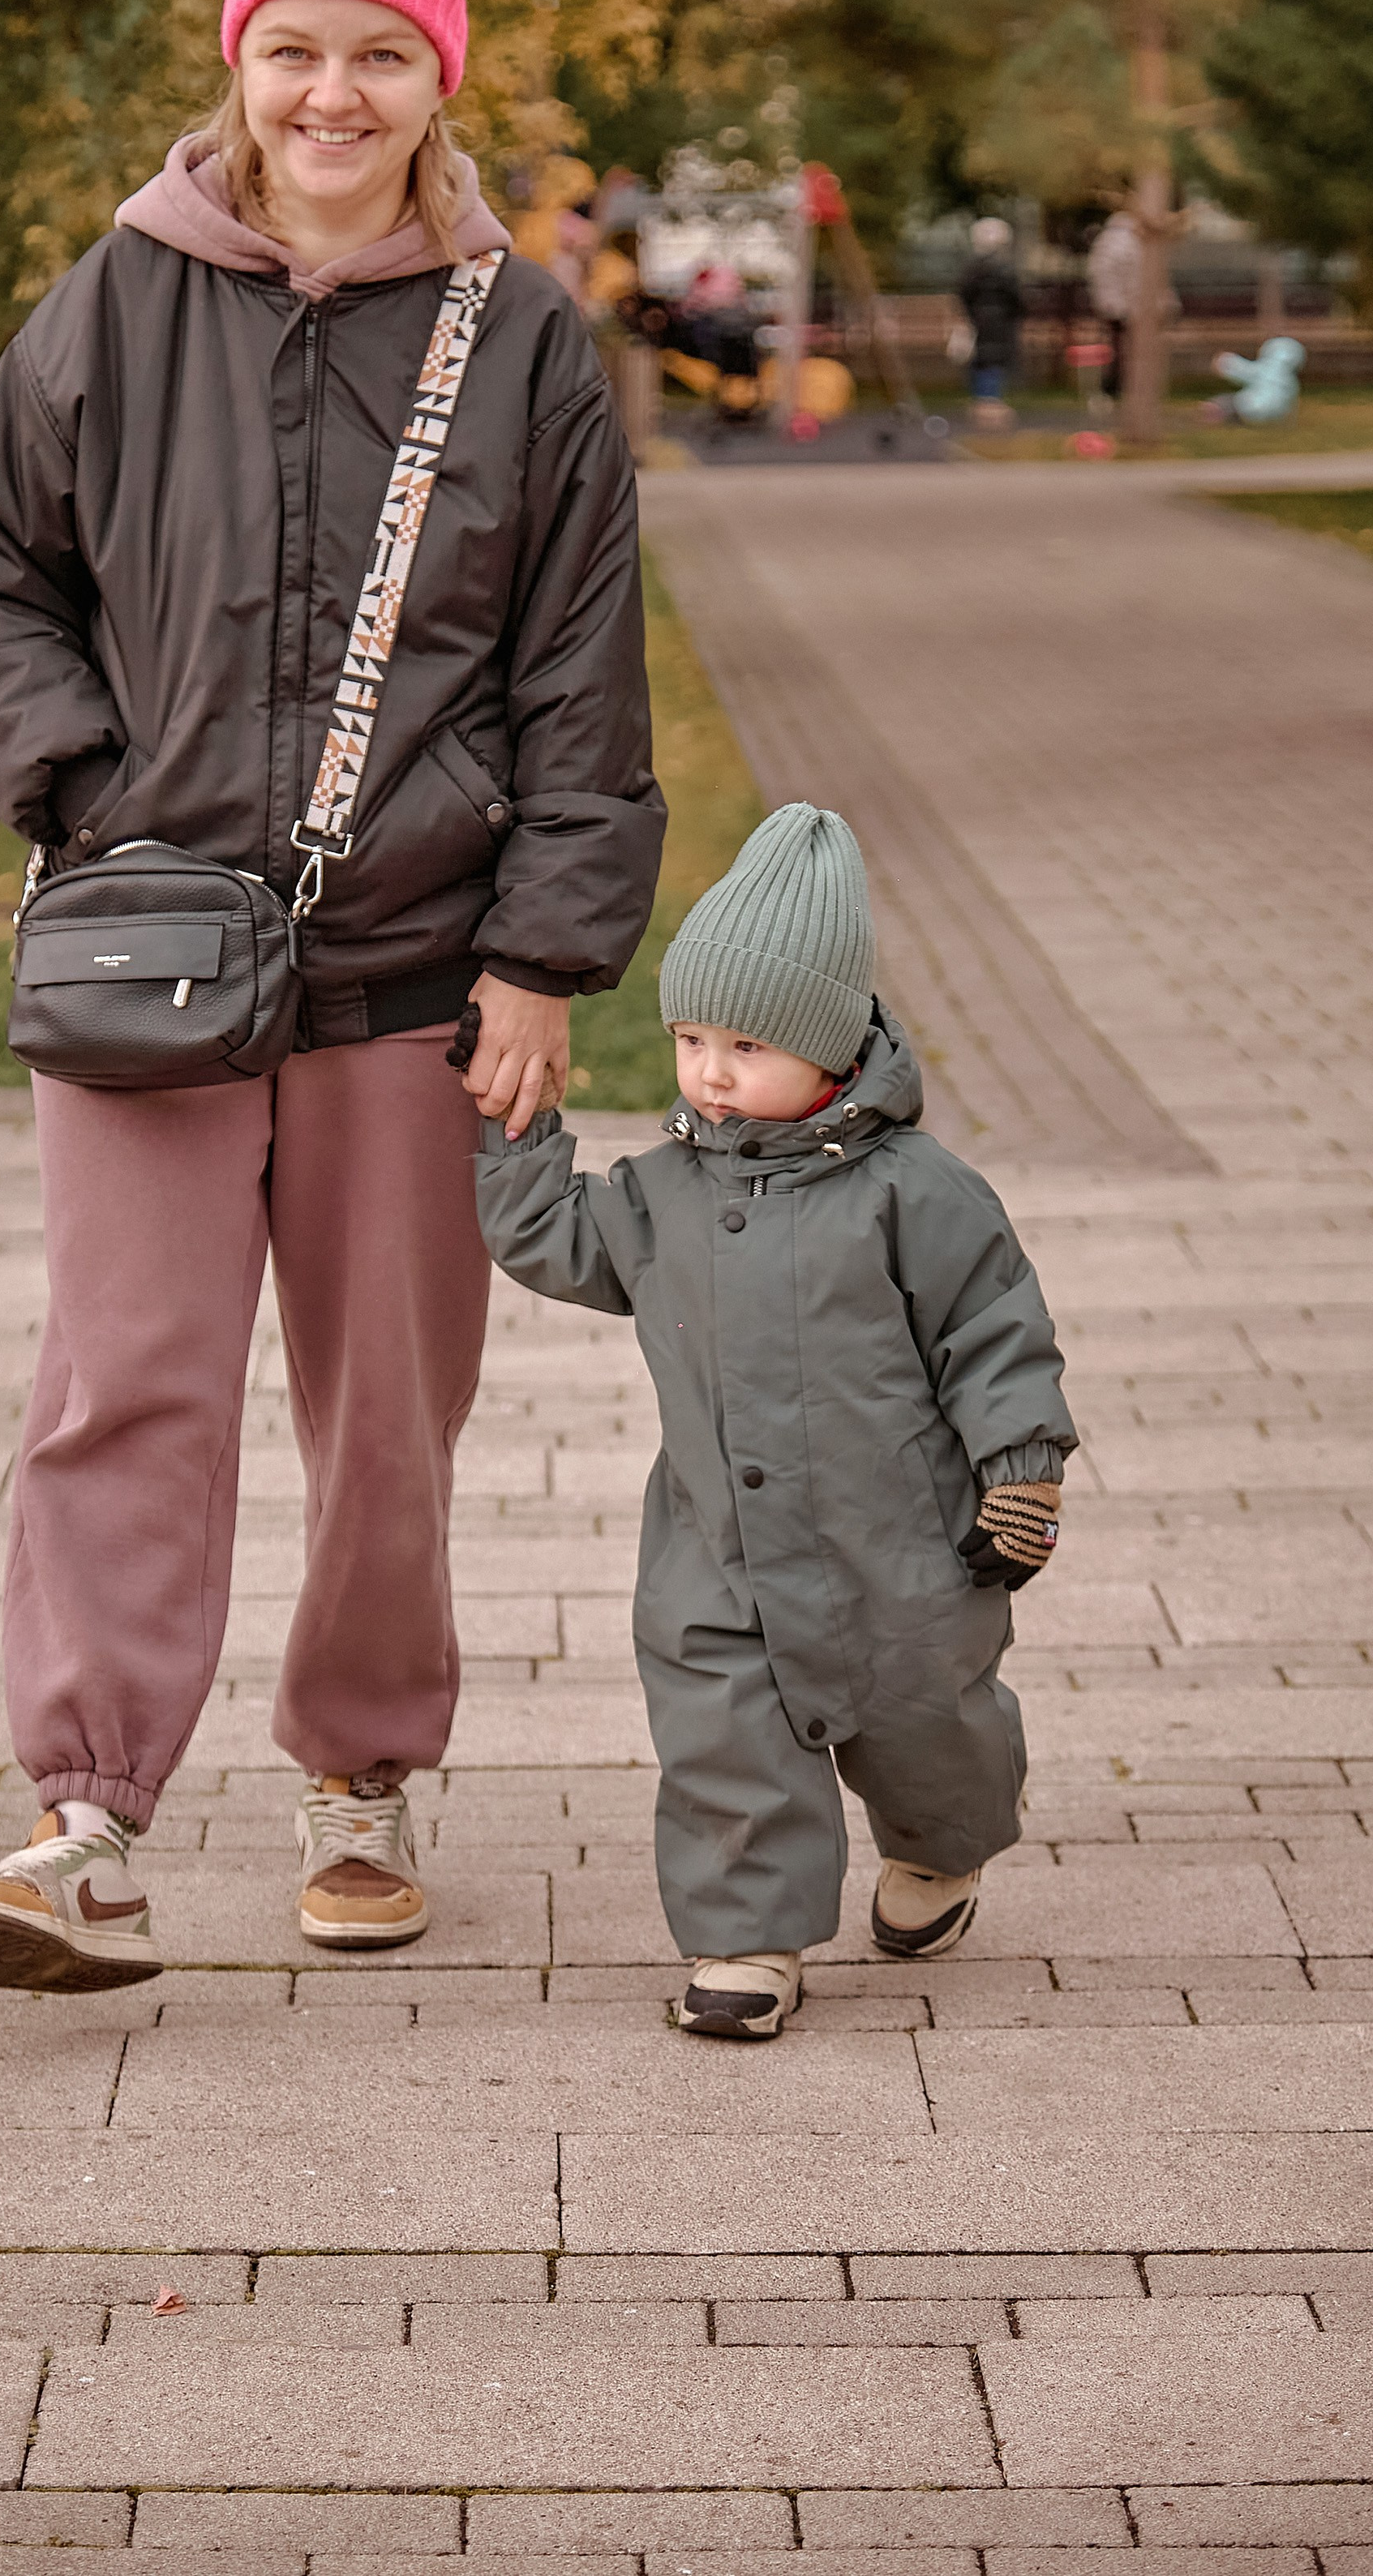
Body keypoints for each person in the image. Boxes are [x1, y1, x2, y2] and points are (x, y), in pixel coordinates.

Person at [0, 0, 663, 1995]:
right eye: (294, 50)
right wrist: (79, 789)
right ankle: (84, 1819)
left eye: (379, 55)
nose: (332, 95)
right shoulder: (117, 300)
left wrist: (543, 954)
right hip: (144, 959)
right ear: (238, 62)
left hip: (415, 974)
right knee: (120, 1386)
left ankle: (361, 1774)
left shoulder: (522, 345)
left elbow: (579, 678)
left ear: (439, 80)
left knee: (385, 1424)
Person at [474, 804, 1075, 2040]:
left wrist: (1023, 1469)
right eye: (691, 1038)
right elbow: (551, 1238)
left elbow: (994, 1331)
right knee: (725, 1737)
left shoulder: (918, 1194)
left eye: (746, 1044)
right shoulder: (662, 1193)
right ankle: (747, 1936)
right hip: (719, 1544)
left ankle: (941, 1847)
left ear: (832, 1048)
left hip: (900, 1547)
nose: (709, 1071)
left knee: (930, 1725)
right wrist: (516, 1129)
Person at [956, 215, 1023, 418]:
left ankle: (982, 399)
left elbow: (964, 293)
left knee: (982, 359)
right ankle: (991, 400)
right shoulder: (1005, 269)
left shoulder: (972, 269)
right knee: (995, 360)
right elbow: (1016, 296)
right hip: (1001, 323)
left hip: (980, 321)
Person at [1087, 208, 1143, 399]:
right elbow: (1134, 277)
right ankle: (1123, 385)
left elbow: (1095, 274)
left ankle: (1111, 384)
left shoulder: (1103, 242)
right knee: (1129, 348)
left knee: (1113, 346)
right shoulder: (1131, 243)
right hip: (1125, 305)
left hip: (1107, 304)